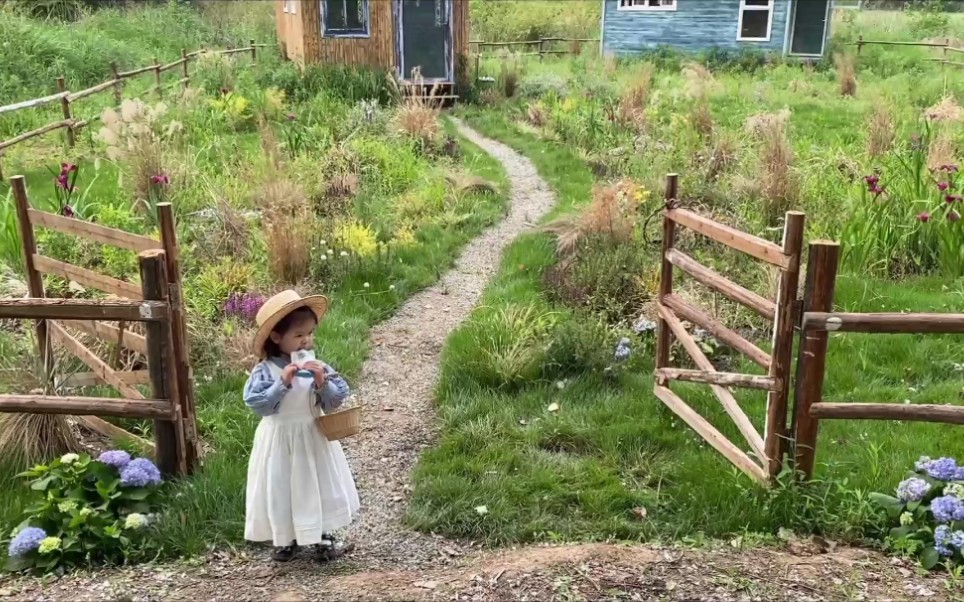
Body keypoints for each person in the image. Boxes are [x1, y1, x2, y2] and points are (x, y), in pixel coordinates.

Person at [243, 290, 360, 562]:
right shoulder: (265, 370)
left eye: (309, 333)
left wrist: (322, 382)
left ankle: (323, 534)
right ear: (276, 337)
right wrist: (282, 383)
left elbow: (334, 400)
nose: (306, 340)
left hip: (311, 434)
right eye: (298, 335)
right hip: (279, 438)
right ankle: (286, 536)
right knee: (282, 484)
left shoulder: (316, 365)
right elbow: (258, 404)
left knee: (316, 483)